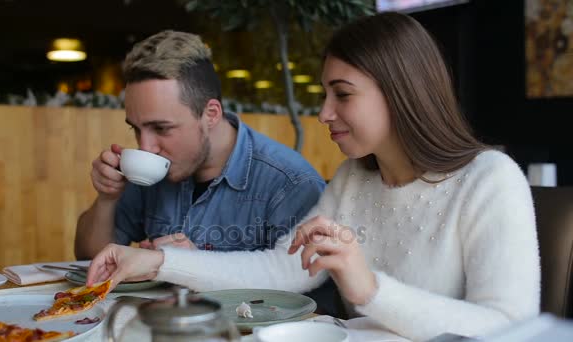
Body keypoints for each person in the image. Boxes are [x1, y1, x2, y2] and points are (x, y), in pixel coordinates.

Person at [86, 12, 540, 341]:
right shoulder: (353, 179)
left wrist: (372, 290)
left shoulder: (489, 180)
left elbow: (510, 327)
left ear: (401, 91)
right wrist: (158, 262)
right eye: (325, 94)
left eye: (342, 94)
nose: (324, 113)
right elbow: (282, 268)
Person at [74, 30, 325, 260]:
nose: (146, 147)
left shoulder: (290, 183)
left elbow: (306, 295)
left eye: (162, 128)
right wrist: (107, 199)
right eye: (136, 129)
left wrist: (197, 268)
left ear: (211, 114)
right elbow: (89, 259)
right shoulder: (152, 171)